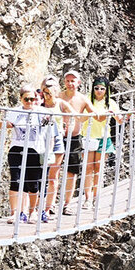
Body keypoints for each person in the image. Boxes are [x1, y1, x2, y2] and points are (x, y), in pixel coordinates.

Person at [4, 86, 54, 224]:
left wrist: (49, 151)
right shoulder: (15, 112)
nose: (29, 102)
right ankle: (16, 213)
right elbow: (6, 124)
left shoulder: (43, 112)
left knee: (33, 184)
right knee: (16, 181)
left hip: (35, 150)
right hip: (17, 148)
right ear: (21, 99)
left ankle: (32, 212)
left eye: (32, 99)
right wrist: (6, 124)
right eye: (26, 99)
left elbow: (50, 132)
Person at [84, 78, 125, 209]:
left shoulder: (111, 103)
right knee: (88, 168)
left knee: (98, 168)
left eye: (102, 88)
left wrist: (126, 116)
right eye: (96, 88)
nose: (99, 91)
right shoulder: (87, 100)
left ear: (106, 90)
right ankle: (87, 198)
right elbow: (81, 115)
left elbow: (119, 120)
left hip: (103, 138)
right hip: (88, 137)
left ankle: (96, 197)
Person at [58, 70, 94, 215]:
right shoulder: (58, 96)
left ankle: (67, 204)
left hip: (74, 138)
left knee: (72, 172)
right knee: (53, 170)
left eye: (73, 80)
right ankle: (51, 204)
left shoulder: (83, 99)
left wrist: (80, 119)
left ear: (79, 83)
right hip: (58, 137)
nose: (70, 83)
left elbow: (93, 112)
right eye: (68, 80)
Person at [38, 75, 73, 222]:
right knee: (40, 176)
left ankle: (48, 207)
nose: (48, 93)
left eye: (50, 90)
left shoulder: (60, 103)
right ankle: (37, 208)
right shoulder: (39, 105)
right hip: (41, 140)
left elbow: (72, 114)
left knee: (53, 177)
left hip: (57, 140)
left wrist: (67, 126)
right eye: (46, 90)